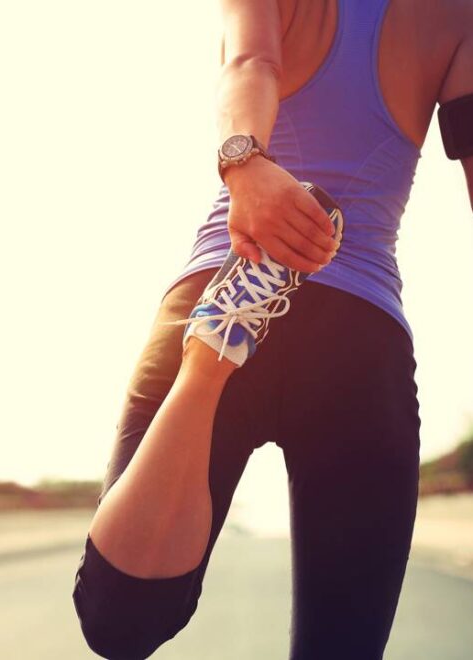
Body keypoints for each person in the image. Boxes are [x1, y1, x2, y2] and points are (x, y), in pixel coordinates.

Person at [70, 0, 473, 658]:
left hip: (234, 274)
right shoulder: (458, 17)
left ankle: (210, 358)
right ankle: (210, 357)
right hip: (360, 337)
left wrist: (246, 164)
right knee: (342, 647)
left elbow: (250, 61)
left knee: (119, 623)